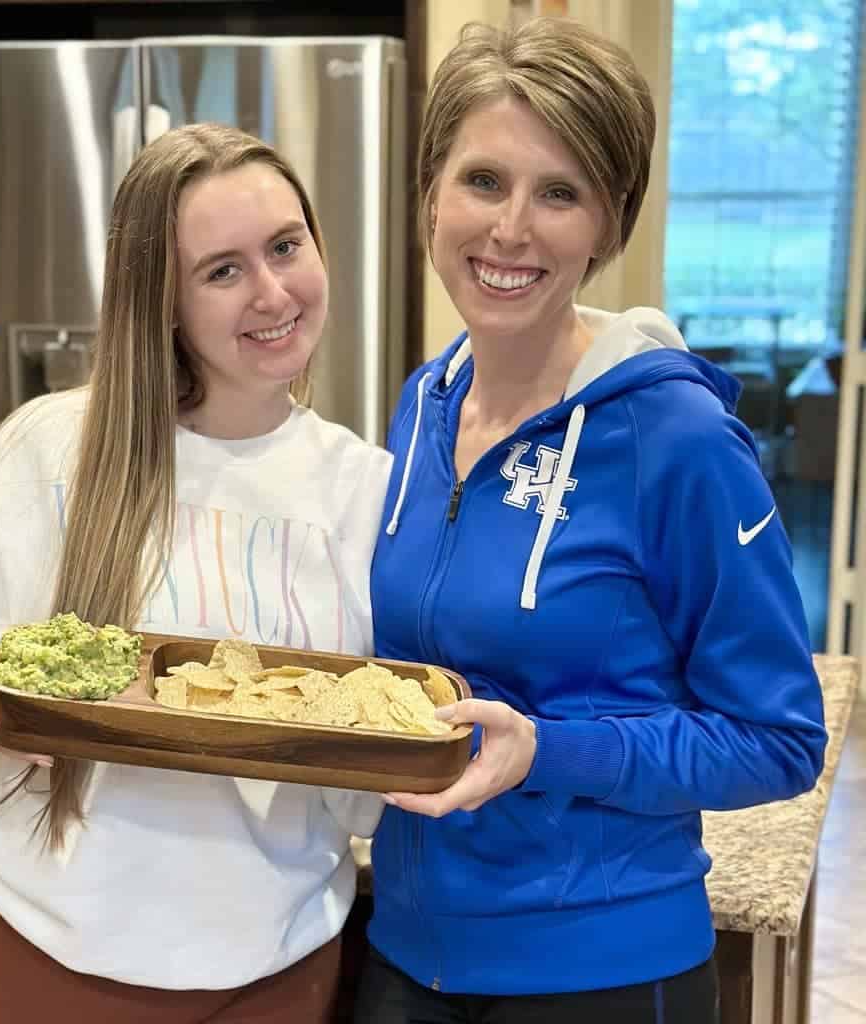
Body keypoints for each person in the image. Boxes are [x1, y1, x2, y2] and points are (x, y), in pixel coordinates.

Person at [0, 123, 393, 1024]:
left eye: (285, 246)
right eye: (221, 270)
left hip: (281, 965)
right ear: (164, 301)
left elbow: (364, 786)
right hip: (53, 958)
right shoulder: (51, 449)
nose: (273, 291)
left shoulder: (367, 490)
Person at [354, 16, 827, 1024]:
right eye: (482, 180)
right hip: (404, 951)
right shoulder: (421, 404)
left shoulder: (679, 437)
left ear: (610, 223)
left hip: (598, 970)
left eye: (558, 192)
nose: (510, 229)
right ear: (428, 193)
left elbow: (776, 737)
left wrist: (552, 750)